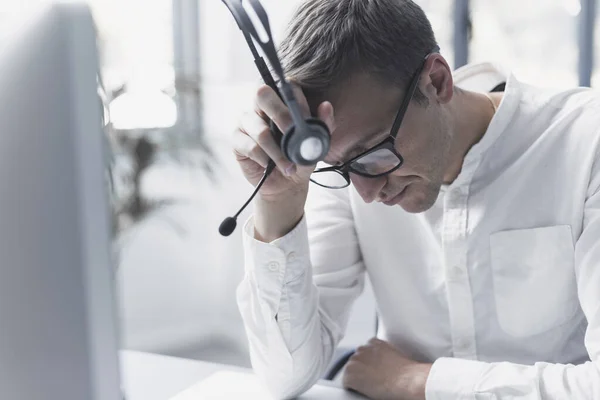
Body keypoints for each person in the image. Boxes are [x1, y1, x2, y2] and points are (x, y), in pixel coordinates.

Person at [232, 0, 600, 399]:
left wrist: (417, 383)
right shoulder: (350, 168)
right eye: (338, 168)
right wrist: (277, 201)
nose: (366, 193)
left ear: (437, 82)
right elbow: (284, 378)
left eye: (373, 153)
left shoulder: (587, 145)